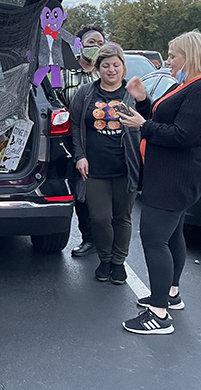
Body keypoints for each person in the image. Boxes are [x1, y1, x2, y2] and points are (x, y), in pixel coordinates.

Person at [119, 31, 201, 335]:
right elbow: (166, 121)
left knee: (154, 239)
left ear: (189, 56)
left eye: (173, 54)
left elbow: (181, 136)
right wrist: (143, 101)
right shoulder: (186, 84)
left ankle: (158, 314)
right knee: (172, 234)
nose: (170, 60)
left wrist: (142, 125)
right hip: (167, 173)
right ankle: (170, 294)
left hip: (177, 176)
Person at [70, 44, 141, 284]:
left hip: (126, 167)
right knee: (99, 218)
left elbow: (148, 121)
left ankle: (119, 263)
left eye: (116, 65)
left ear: (123, 66)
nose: (111, 70)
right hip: (94, 169)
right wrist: (80, 155)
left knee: (122, 217)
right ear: (98, 68)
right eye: (106, 65)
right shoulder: (86, 93)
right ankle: (105, 258)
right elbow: (76, 125)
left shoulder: (132, 93)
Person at [62, 24, 105, 259]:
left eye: (100, 43)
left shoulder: (105, 73)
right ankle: (87, 236)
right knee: (79, 192)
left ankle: (100, 240)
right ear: (79, 46)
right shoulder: (62, 73)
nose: (96, 47)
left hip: (102, 142)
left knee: (100, 191)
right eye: (91, 43)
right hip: (71, 141)